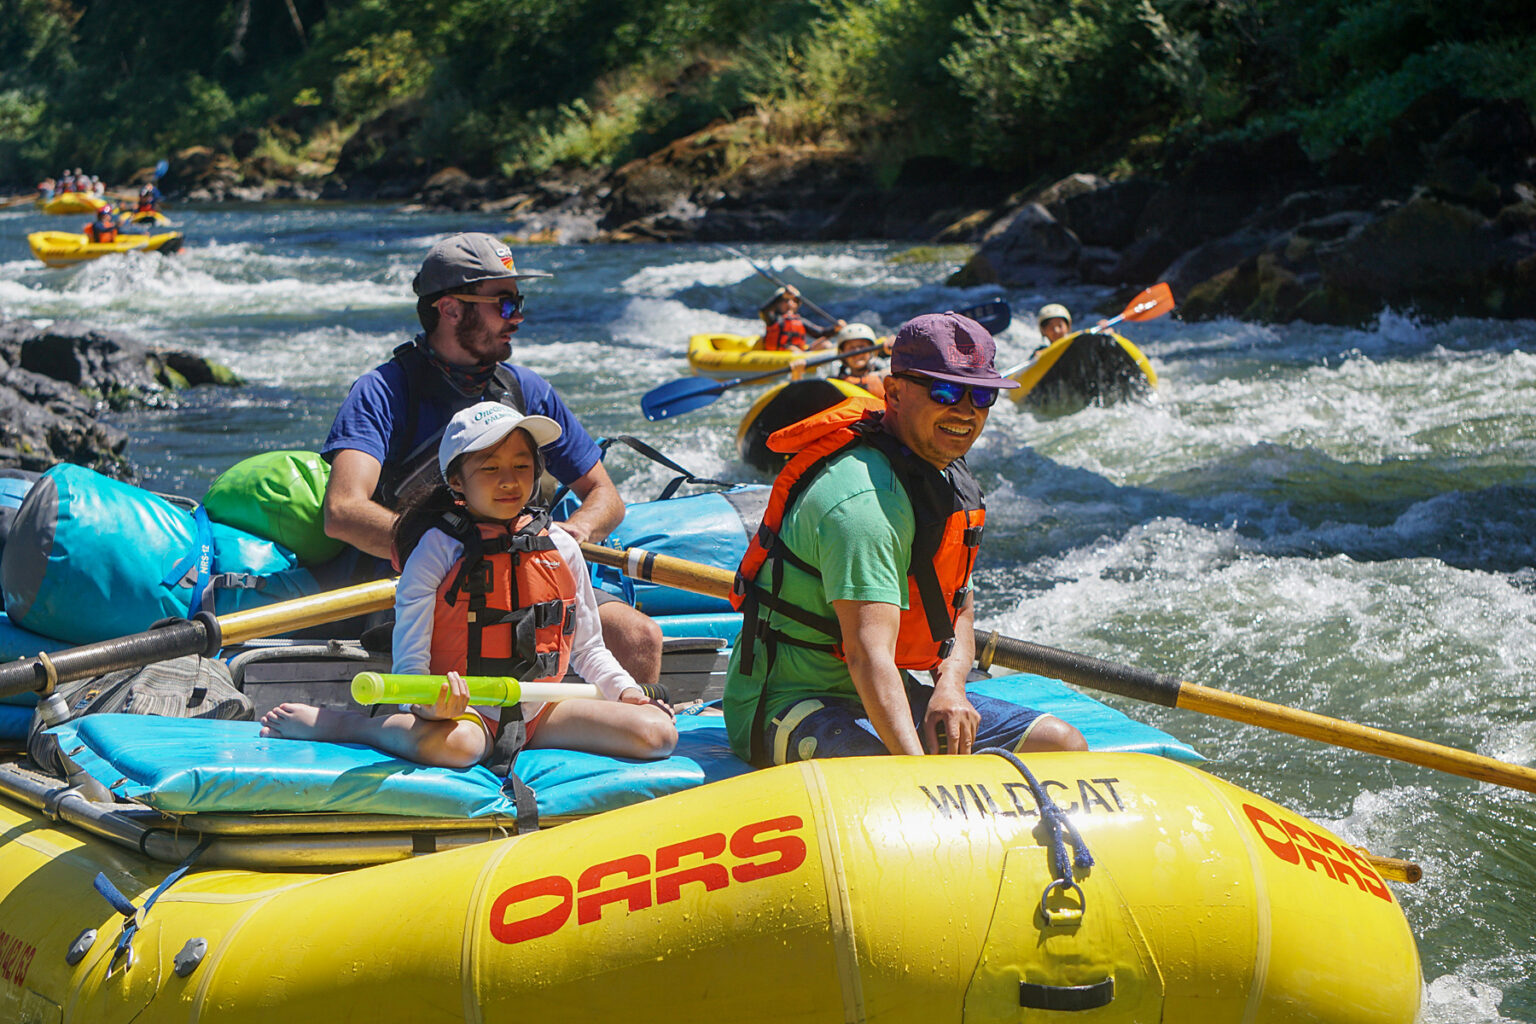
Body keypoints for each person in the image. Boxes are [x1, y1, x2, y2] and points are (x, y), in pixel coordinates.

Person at [723, 312, 1089, 766]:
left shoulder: (941, 477)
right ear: (893, 393)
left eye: (982, 395)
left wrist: (951, 688)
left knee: (1061, 745)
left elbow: (959, 608)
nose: (965, 410)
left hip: (888, 688)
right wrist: (919, 773)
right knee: (887, 774)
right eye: (945, 391)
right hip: (792, 702)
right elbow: (867, 657)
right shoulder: (862, 504)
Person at [322, 232, 664, 687]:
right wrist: (453, 550)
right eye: (503, 304)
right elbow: (343, 512)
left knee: (638, 637)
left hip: (528, 568)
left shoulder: (528, 390)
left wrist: (576, 530)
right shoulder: (384, 391)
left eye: (518, 303)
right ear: (450, 309)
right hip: (429, 583)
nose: (518, 318)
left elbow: (605, 496)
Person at [262, 402, 678, 768]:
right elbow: (410, 663)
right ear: (457, 481)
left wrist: (625, 692)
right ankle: (353, 725)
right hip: (463, 714)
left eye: (521, 466)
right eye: (491, 468)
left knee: (658, 734)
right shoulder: (436, 549)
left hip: (541, 709)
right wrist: (426, 705)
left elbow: (589, 649)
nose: (509, 481)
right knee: (459, 747)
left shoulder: (563, 545)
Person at [759, 284, 844, 352]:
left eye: (794, 301)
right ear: (777, 304)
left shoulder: (799, 321)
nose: (790, 304)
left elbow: (819, 333)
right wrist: (782, 296)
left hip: (799, 354)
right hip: (780, 355)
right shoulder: (773, 319)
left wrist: (835, 329)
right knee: (792, 349)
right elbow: (764, 311)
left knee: (826, 344)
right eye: (785, 301)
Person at [827, 322, 888, 399]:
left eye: (861, 347)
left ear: (871, 351)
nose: (857, 352)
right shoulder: (834, 383)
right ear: (842, 353)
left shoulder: (885, 376)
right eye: (851, 348)